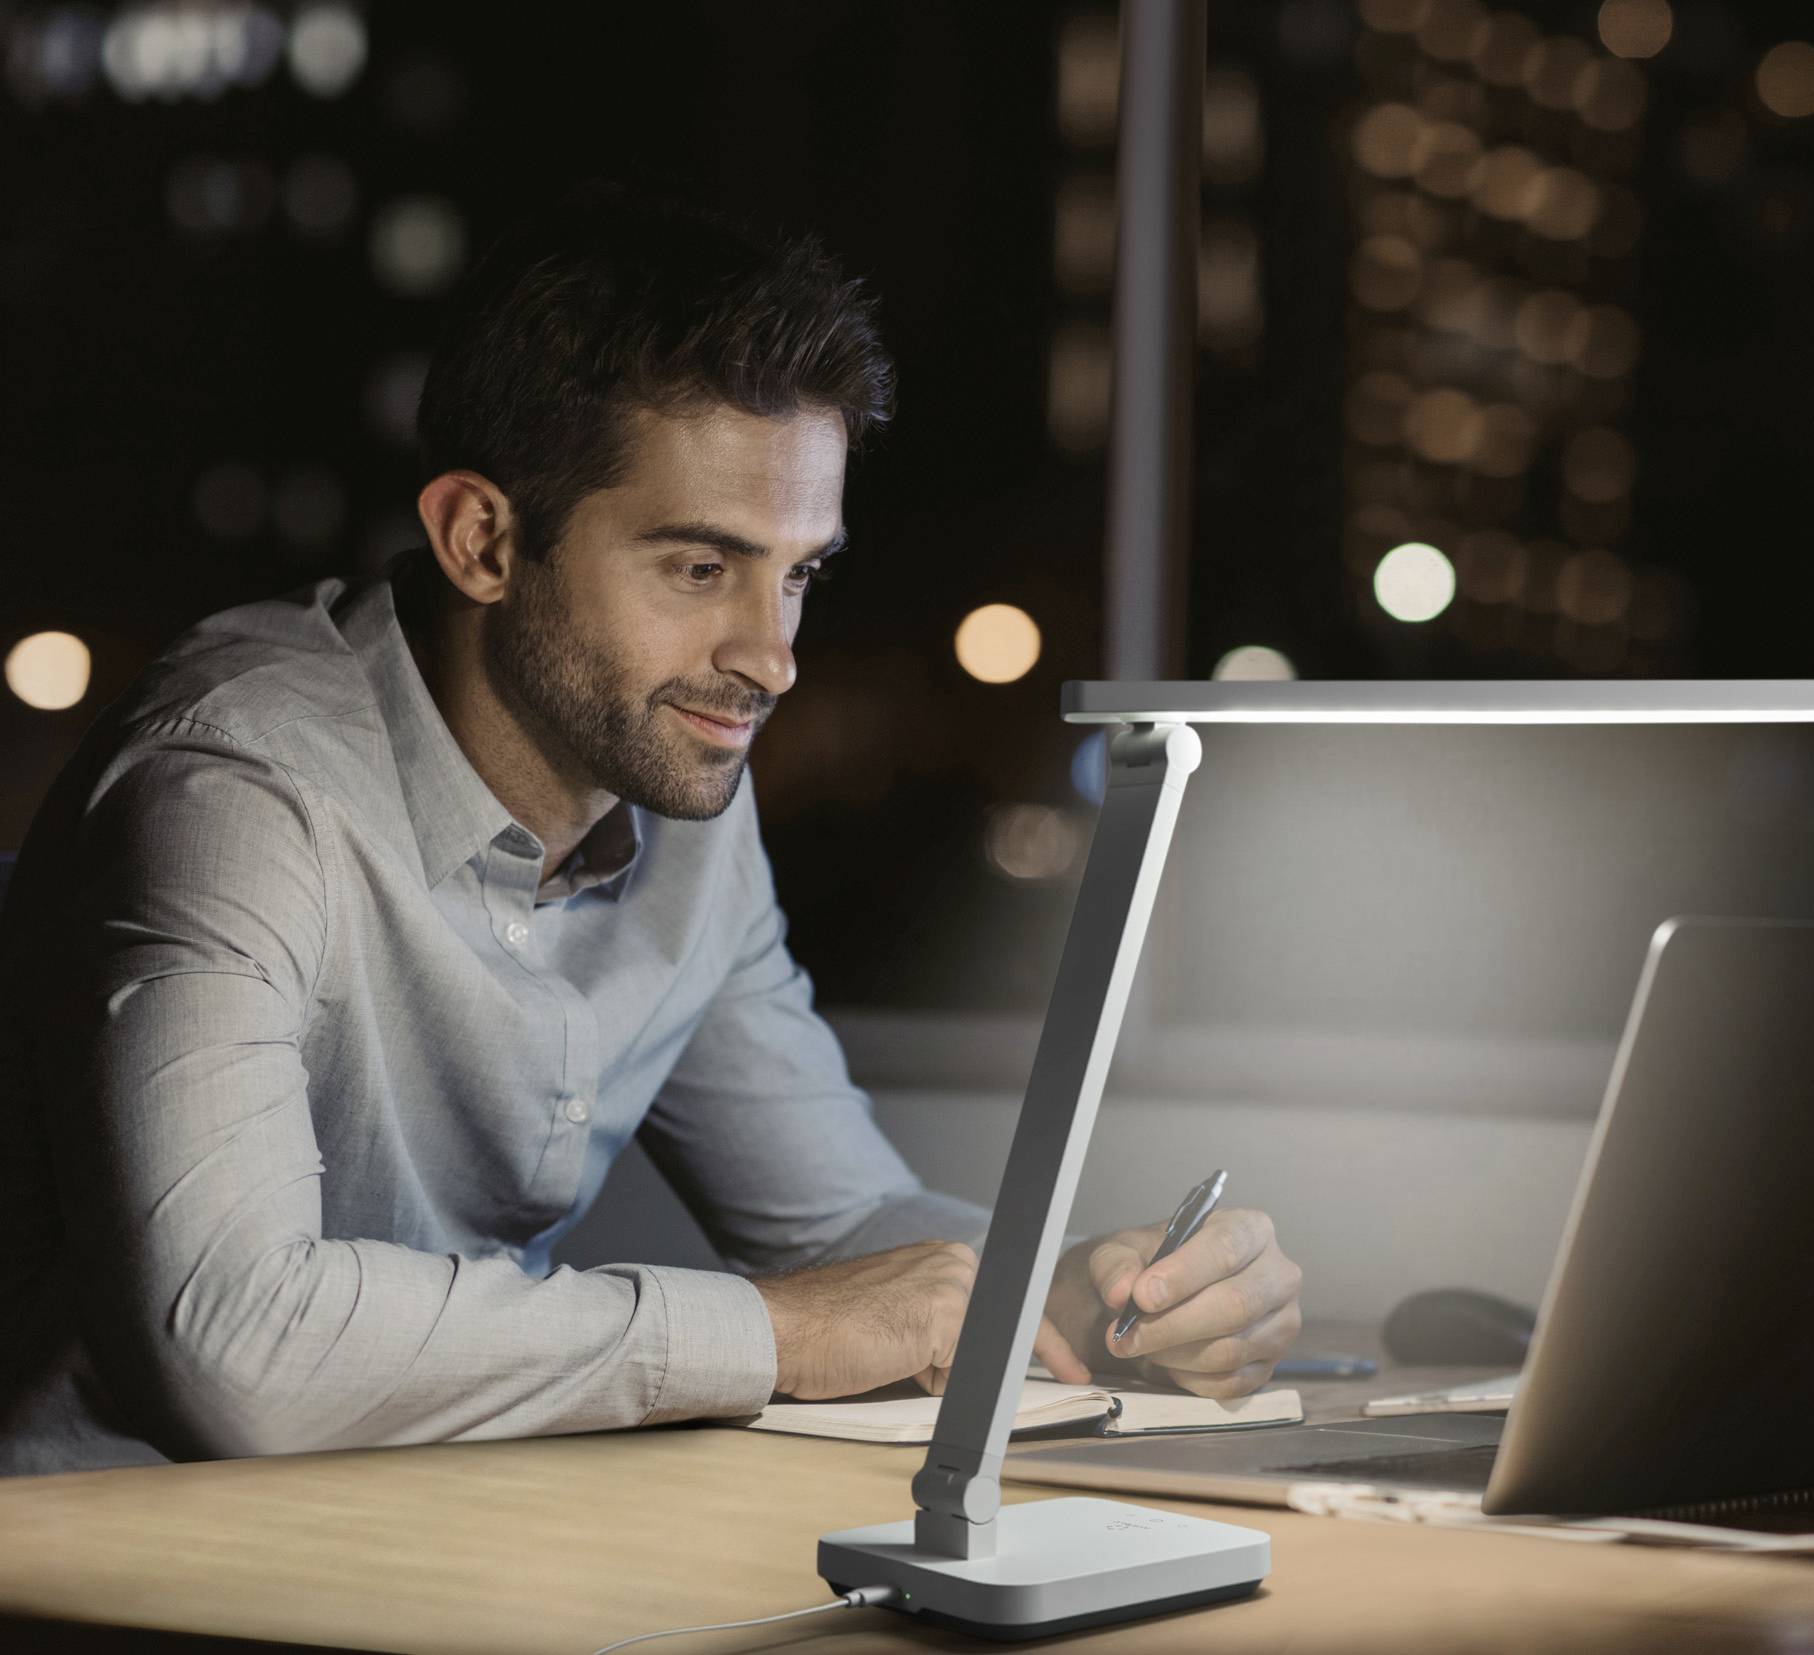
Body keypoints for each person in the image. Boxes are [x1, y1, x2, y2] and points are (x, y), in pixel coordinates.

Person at [0, 184, 1301, 1477]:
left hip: (411, 1541)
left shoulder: (679, 800)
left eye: (797, 574)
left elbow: (840, 1224)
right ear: (482, 539)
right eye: (699, 568)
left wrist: (1079, 1293)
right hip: (95, 1573)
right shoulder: (232, 788)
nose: (772, 658)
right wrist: (772, 1333)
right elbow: (236, 1349)